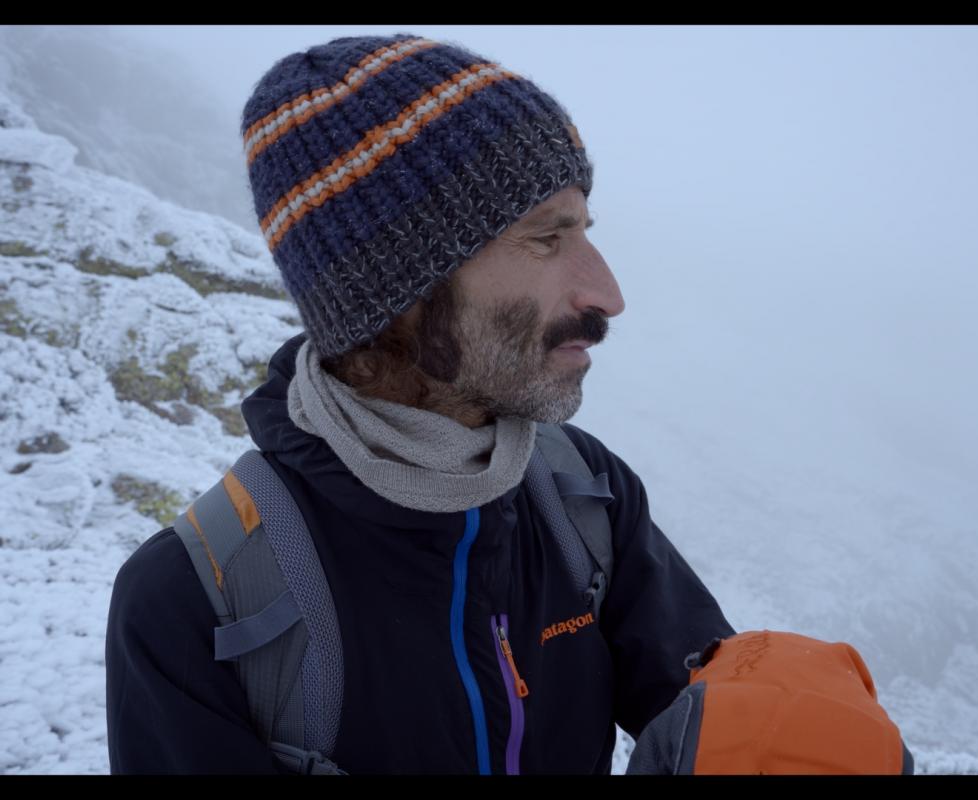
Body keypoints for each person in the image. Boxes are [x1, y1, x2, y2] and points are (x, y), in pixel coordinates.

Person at [105, 31, 911, 775]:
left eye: (585, 230)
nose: (608, 294)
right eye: (545, 237)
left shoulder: (582, 496)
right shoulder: (197, 601)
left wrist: (784, 724)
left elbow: (704, 710)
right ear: (397, 287)